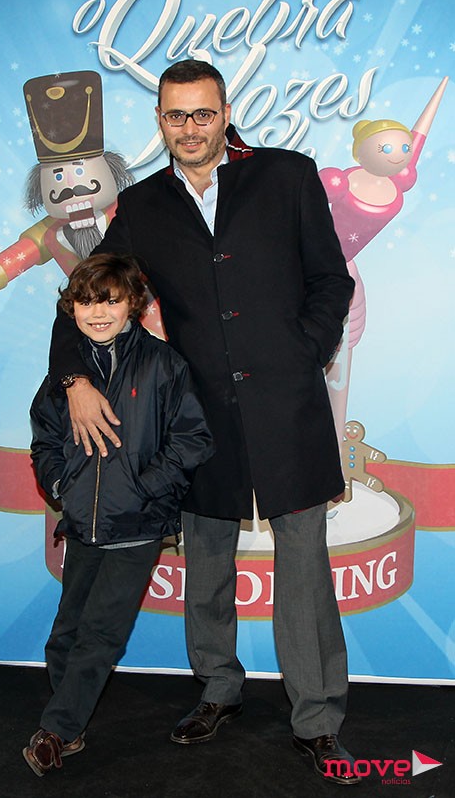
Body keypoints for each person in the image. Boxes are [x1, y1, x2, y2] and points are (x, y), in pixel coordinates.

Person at [48, 60, 359, 785]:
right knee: (208, 558)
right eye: (175, 115)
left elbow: (330, 278)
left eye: (202, 114)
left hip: (287, 404)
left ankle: (316, 719)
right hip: (196, 413)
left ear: (224, 112)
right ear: (159, 120)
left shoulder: (286, 175)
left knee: (304, 565)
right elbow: (87, 291)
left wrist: (305, 349)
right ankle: (218, 689)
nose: (189, 128)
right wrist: (74, 379)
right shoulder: (142, 204)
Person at [24, 252, 214, 777]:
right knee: (66, 634)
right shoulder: (66, 374)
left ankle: (56, 730)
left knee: (101, 635)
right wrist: (61, 486)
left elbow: (192, 439)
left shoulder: (164, 364)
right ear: (72, 309)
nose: (99, 312)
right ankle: (71, 726)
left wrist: (143, 490)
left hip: (137, 526)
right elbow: (44, 437)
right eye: (87, 302)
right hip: (82, 524)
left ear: (134, 303)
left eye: (110, 301)